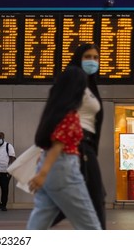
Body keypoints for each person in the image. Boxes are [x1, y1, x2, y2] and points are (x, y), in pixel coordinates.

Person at [26, 66, 101, 230]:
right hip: (64, 169)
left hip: (47, 166)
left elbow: (49, 145)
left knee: (41, 217)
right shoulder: (71, 115)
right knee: (90, 224)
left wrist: (42, 173)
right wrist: (42, 174)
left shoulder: (53, 113)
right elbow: (58, 145)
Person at [52, 43, 106, 229]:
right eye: (87, 57)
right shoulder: (71, 80)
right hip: (77, 146)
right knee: (96, 198)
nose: (92, 61)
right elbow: (56, 113)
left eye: (95, 58)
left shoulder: (90, 86)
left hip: (87, 147)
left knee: (84, 199)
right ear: (78, 59)